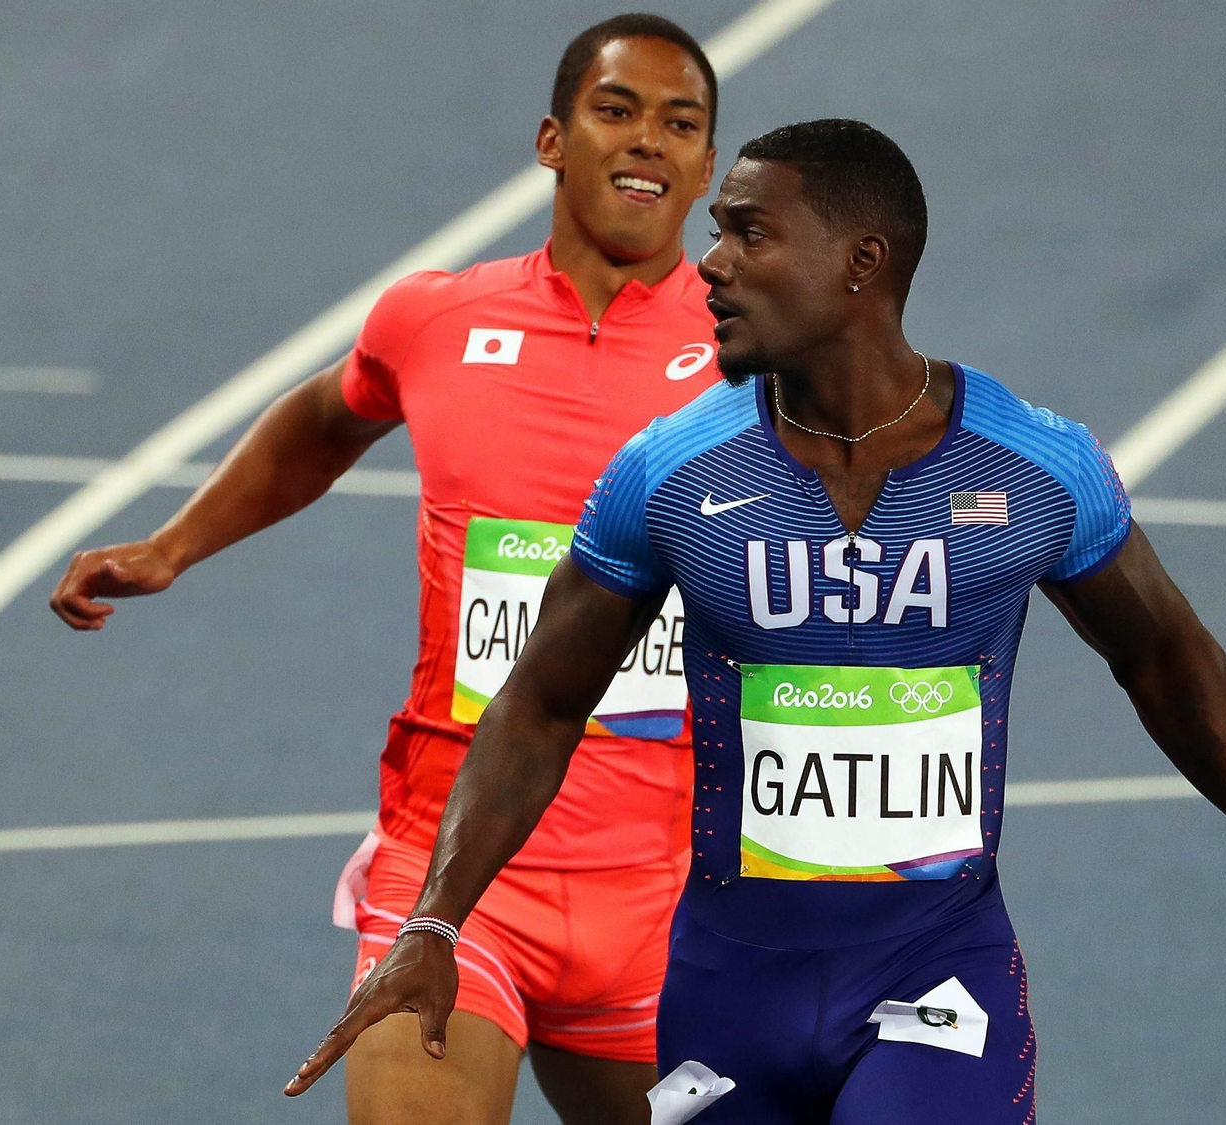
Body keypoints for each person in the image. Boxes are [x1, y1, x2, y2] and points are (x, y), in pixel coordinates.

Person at [284, 119, 1226, 1121]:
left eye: (747, 232)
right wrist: (435, 918)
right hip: (716, 993)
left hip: (933, 982)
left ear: (860, 263)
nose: (710, 263)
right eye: (716, 232)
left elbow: (1166, 660)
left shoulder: (1033, 468)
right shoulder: (669, 475)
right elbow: (538, 704)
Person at [49, 15, 725, 1124]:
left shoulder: (761, 359)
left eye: (680, 124)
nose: (648, 139)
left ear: (705, 168)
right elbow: (325, 419)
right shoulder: (439, 321)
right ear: (554, 139)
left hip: (663, 900)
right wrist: (174, 545)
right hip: (453, 883)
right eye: (618, 111)